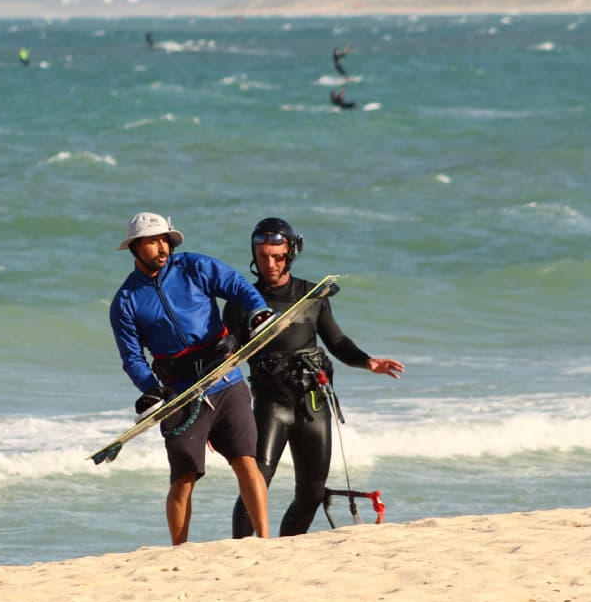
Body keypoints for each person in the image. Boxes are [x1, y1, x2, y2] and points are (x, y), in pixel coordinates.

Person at [223, 217, 404, 537]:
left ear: (291, 253)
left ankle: (288, 545)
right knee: (256, 481)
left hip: (313, 402)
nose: (270, 264)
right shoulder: (242, 302)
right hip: (272, 402)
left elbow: (336, 341)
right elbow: (230, 350)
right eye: (262, 256)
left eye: (277, 257)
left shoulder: (312, 296)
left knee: (313, 492)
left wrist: (367, 362)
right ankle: (240, 548)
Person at [109, 211, 272, 544]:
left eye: (164, 240)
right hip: (180, 393)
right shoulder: (125, 301)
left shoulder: (194, 266)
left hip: (225, 379)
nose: (161, 248)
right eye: (152, 242)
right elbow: (132, 357)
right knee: (183, 479)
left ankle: (265, 540)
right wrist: (150, 389)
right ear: (135, 248)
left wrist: (257, 310)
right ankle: (179, 549)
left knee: (246, 461)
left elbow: (237, 286)